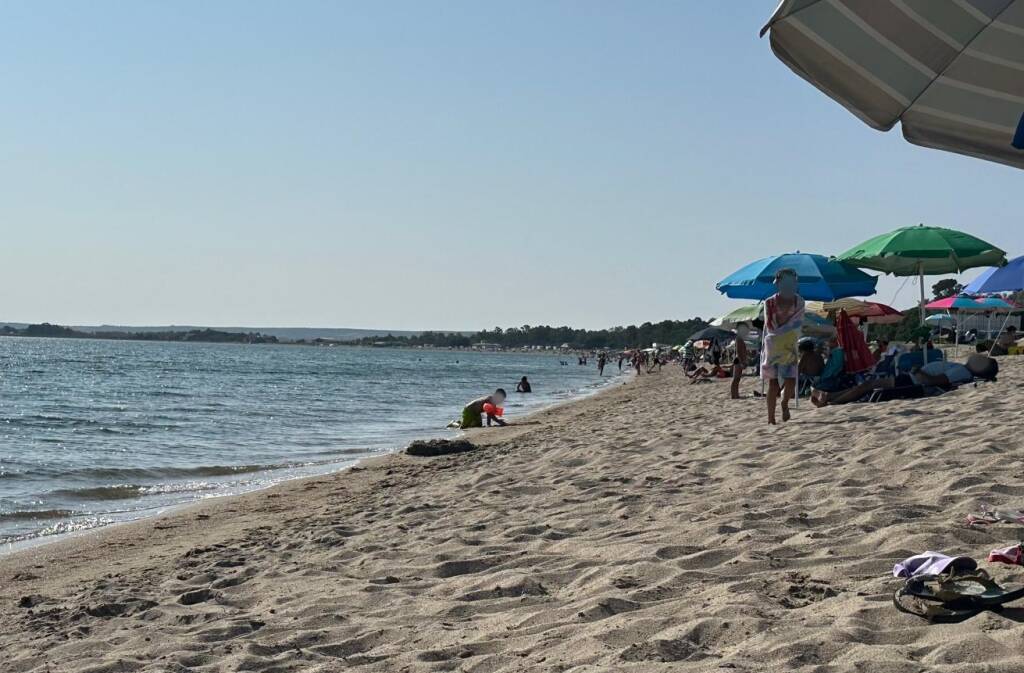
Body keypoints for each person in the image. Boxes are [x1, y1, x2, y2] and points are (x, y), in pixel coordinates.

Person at [813, 354, 998, 406]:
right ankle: (830, 397)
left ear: (981, 369)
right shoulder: (963, 370)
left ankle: (831, 399)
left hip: (913, 381)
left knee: (868, 385)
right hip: (912, 379)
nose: (978, 357)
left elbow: (934, 382)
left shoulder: (961, 372)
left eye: (982, 361)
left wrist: (918, 371)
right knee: (867, 385)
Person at [761, 268, 804, 424]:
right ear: (778, 283)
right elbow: (769, 324)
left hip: (790, 343)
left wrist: (785, 331)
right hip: (773, 344)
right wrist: (784, 331)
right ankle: (771, 418)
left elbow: (798, 322)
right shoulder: (769, 302)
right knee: (773, 382)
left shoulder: (799, 301)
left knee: (791, 378)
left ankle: (785, 402)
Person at [730, 324, 750, 399]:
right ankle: (734, 394)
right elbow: (738, 351)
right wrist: (742, 362)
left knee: (737, 379)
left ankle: (735, 394)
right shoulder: (738, 338)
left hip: (739, 360)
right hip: (738, 360)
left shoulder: (740, 338)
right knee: (736, 378)